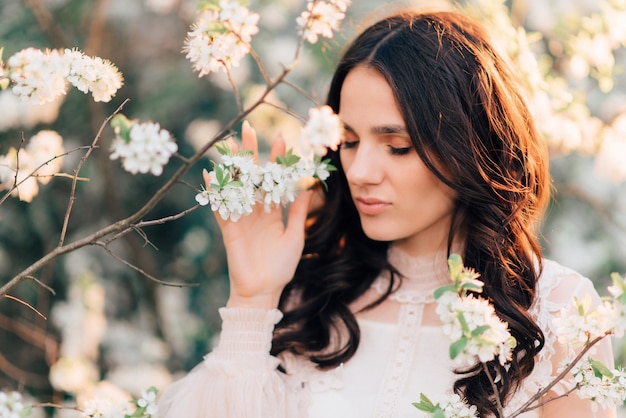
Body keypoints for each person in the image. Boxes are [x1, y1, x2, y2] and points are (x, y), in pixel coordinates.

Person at [157, 9, 616, 418]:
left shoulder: (554, 312)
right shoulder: (312, 297)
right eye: (350, 142)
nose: (359, 171)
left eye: (397, 147)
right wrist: (252, 301)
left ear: (469, 148)